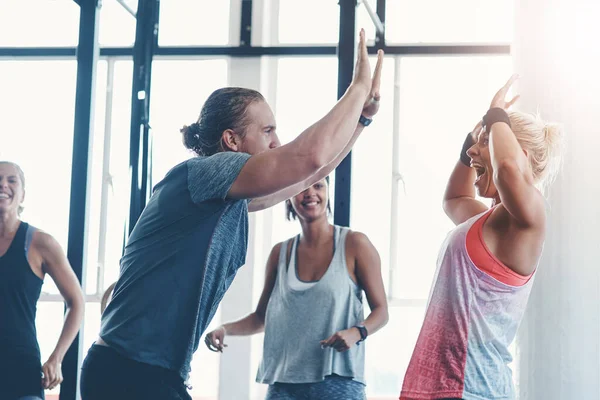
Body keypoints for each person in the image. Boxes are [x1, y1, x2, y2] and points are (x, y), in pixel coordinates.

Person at [80, 29, 384, 400]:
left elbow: (310, 173)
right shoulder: (207, 173)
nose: (276, 141)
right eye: (267, 130)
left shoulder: (227, 199)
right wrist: (358, 86)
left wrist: (362, 120)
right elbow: (309, 157)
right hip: (128, 371)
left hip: (149, 372)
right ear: (231, 141)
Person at [399, 75, 563, 400]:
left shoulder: (529, 219)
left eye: (485, 143)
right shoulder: (489, 221)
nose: (475, 151)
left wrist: (496, 115)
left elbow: (506, 168)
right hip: (444, 386)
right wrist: (472, 141)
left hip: (474, 389)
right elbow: (453, 201)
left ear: (521, 156)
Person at [205, 175, 389, 400]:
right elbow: (262, 318)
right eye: (301, 188)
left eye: (319, 186)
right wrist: (225, 329)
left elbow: (381, 312)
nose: (310, 193)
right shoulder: (279, 254)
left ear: (328, 193)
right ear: (288, 197)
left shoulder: (355, 244)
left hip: (338, 380)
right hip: (284, 384)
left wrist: (357, 332)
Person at [0, 161, 85, 400]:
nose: (3, 185)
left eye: (11, 180)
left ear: (22, 194)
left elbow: (76, 302)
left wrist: (56, 358)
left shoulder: (40, 243)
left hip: (20, 374)